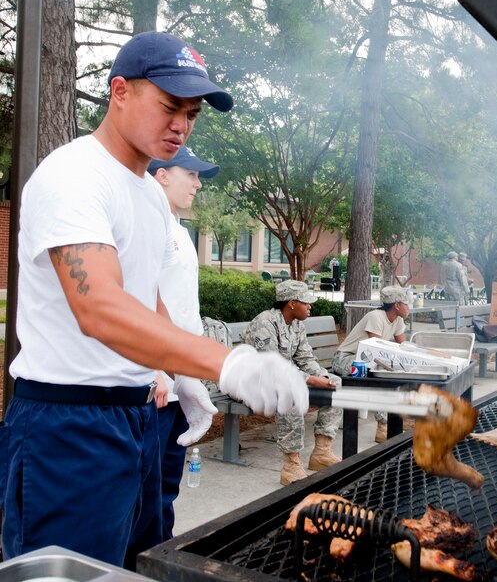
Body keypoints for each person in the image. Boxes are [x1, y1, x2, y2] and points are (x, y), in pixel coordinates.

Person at [1, 31, 309, 569]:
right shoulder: (73, 176)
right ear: (119, 90)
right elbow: (99, 306)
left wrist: (183, 370)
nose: (181, 126)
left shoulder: (147, 191)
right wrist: (228, 362)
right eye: (170, 107)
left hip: (140, 420)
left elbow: (146, 296)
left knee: (137, 567)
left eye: (191, 114)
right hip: (69, 428)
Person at [146, 145, 221, 542]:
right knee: (147, 495)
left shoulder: (181, 232)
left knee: (166, 489)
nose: (197, 183)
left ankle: (161, 559)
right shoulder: (148, 225)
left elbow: (182, 310)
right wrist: (155, 369)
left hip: (180, 381)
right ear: (161, 175)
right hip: (156, 382)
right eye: (189, 173)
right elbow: (138, 299)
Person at [241, 281, 342, 485]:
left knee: (335, 383)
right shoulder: (265, 322)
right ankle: (291, 465)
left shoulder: (297, 325)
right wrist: (308, 379)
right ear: (292, 303)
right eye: (306, 303)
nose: (310, 307)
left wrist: (322, 377)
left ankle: (321, 452)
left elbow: (305, 358)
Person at [332, 286, 410, 443]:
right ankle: (383, 426)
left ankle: (401, 416)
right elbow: (377, 351)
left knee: (400, 370)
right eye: (406, 303)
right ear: (397, 305)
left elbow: (404, 348)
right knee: (380, 373)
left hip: (365, 361)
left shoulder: (398, 320)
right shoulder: (375, 317)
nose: (409, 308)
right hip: (345, 359)